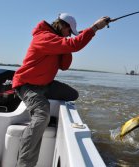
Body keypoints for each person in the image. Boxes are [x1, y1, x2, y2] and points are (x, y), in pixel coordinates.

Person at [12, 13, 110, 167]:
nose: (69, 35)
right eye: (69, 32)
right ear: (63, 26)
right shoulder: (44, 37)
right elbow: (74, 44)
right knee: (42, 116)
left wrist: (67, 44)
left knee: (72, 94)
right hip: (27, 85)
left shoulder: (57, 41)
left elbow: (64, 65)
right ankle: (24, 164)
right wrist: (95, 27)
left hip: (45, 84)